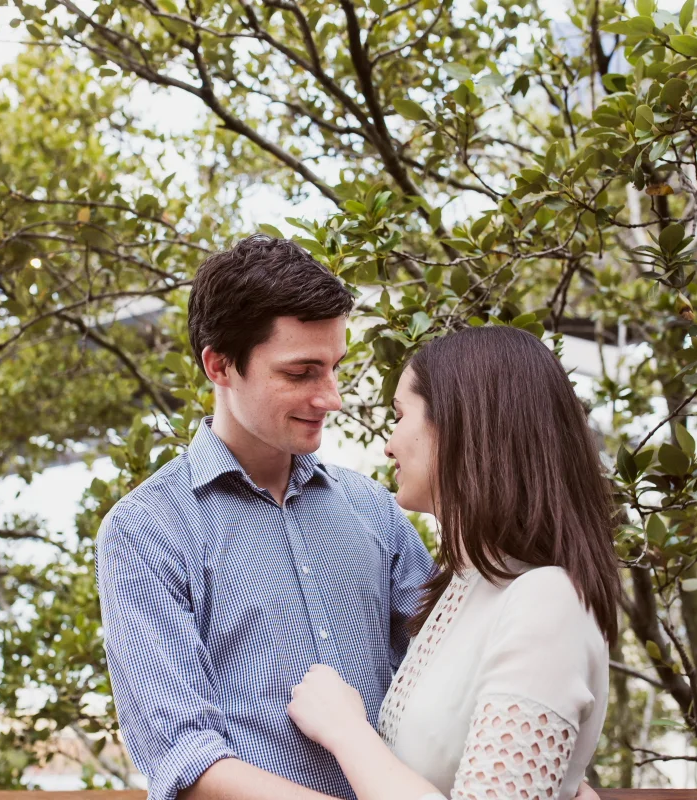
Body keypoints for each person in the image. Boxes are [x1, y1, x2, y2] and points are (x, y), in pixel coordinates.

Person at [95, 234, 435, 800]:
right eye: (301, 373)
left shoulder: (373, 509)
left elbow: (451, 673)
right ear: (220, 365)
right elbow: (184, 760)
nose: (331, 398)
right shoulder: (146, 530)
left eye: (334, 368)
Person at [287, 325, 622, 800]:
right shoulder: (464, 586)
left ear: (459, 424)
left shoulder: (548, 600)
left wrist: (346, 732)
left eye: (400, 416)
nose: (388, 444)